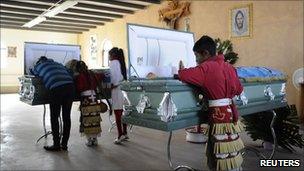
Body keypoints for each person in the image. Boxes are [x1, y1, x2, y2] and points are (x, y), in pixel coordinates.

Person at [178, 36, 244, 171]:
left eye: (197, 56)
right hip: (231, 114)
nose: (196, 61)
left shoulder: (206, 68)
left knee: (218, 151)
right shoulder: (229, 67)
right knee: (231, 148)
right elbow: (239, 89)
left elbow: (185, 75)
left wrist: (181, 69)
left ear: (206, 53)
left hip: (218, 115)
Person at [31, 56, 75, 151]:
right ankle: (64, 144)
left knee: (54, 117)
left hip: (56, 88)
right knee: (66, 117)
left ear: (39, 61)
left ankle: (56, 145)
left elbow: (33, 75)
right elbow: (70, 72)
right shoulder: (59, 64)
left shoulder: (39, 66)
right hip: (70, 87)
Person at [75, 61, 103, 147]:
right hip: (94, 98)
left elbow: (79, 88)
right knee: (95, 119)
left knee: (87, 119)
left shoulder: (79, 76)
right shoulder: (92, 74)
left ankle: (89, 140)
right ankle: (95, 139)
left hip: (85, 100)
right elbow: (102, 75)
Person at [109, 47, 128, 144]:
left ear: (113, 55)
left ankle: (120, 135)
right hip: (124, 90)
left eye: (109, 55)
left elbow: (114, 78)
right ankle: (125, 133)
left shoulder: (113, 63)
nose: (109, 57)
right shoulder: (121, 62)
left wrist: (110, 86)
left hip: (117, 90)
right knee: (123, 112)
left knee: (117, 113)